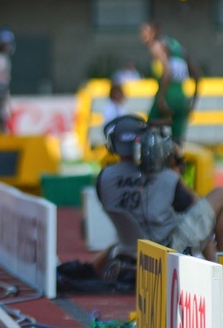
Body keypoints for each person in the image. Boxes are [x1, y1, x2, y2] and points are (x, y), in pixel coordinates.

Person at [95, 114, 223, 276]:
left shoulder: (103, 178)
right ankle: (219, 267)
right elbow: (195, 206)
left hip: (130, 250)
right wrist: (175, 168)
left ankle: (216, 269)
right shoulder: (164, 176)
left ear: (112, 144)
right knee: (220, 194)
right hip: (166, 251)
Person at [139, 20, 201, 145]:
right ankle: (175, 162)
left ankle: (158, 161)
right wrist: (193, 102)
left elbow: (167, 72)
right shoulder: (177, 47)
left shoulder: (156, 45)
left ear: (155, 32)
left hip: (167, 96)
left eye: (146, 32)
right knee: (177, 142)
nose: (143, 36)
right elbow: (197, 75)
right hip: (182, 99)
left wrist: (161, 97)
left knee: (149, 131)